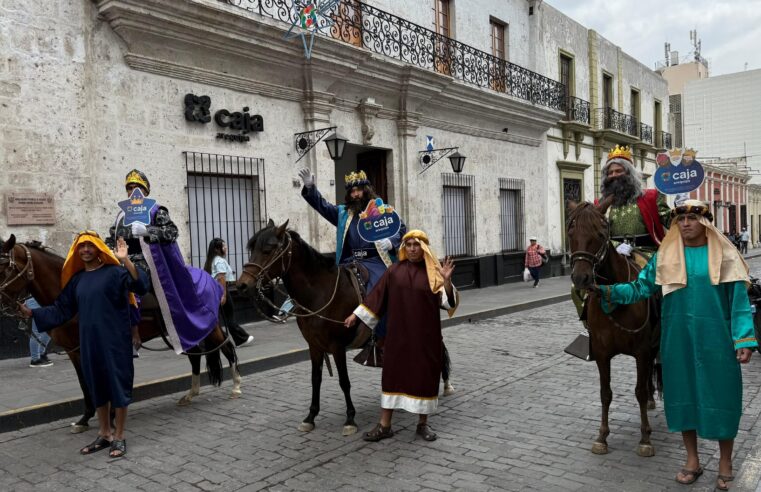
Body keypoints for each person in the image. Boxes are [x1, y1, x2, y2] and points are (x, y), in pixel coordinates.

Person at [593, 200, 756, 490]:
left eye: (692, 219)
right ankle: (692, 459)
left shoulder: (725, 254)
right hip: (677, 339)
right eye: (680, 220)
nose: (685, 224)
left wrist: (744, 337)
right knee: (681, 395)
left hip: (716, 339)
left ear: (704, 222)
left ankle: (725, 461)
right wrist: (607, 290)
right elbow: (641, 288)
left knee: (722, 397)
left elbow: (740, 303)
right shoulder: (665, 256)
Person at [19, 232, 150, 458]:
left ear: (98, 249)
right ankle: (105, 433)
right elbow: (62, 309)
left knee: (118, 387)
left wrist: (125, 259)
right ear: (76, 252)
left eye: (90, 246)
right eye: (82, 247)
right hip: (89, 343)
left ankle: (119, 436)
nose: (86, 250)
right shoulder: (77, 280)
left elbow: (139, 286)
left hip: (115, 342)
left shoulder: (115, 272)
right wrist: (32, 313)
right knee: (97, 387)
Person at [344, 230, 459, 442]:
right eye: (409, 245)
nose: (413, 248)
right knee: (392, 377)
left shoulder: (434, 274)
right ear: (404, 248)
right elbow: (376, 297)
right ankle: (384, 425)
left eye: (416, 245)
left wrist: (447, 281)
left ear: (423, 248)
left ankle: (422, 424)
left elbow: (448, 303)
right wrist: (355, 316)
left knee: (424, 378)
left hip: (425, 338)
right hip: (397, 337)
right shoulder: (393, 271)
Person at [106, 169, 222, 354]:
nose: (133, 190)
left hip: (148, 261)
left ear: (145, 191)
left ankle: (134, 334)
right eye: (129, 187)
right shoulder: (121, 215)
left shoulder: (156, 211)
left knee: (129, 282)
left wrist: (148, 231)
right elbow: (111, 238)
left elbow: (172, 232)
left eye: (137, 187)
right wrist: (105, 248)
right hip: (121, 258)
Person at [299, 168, 405, 342]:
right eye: (352, 191)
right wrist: (311, 188)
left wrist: (391, 242)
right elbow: (323, 206)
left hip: (375, 260)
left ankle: (381, 338)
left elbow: (401, 229)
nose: (356, 194)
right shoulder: (342, 213)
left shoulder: (382, 210)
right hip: (350, 261)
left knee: (380, 291)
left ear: (366, 190)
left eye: (359, 190)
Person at [598, 145, 670, 255]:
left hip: (647, 253)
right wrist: (616, 245)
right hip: (613, 255)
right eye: (610, 172)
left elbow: (671, 222)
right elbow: (595, 234)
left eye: (618, 171)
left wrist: (681, 209)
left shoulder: (651, 197)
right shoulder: (600, 204)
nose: (614, 175)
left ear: (629, 174)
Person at [204, 238, 254, 347]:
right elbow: (221, 278)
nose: (226, 248)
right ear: (217, 249)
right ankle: (241, 339)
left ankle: (216, 339)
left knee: (218, 318)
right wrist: (224, 295)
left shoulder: (210, 261)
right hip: (221, 290)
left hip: (212, 292)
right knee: (229, 317)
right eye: (223, 246)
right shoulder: (220, 261)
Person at [26, 297, 52, 367]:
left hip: (45, 300)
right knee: (36, 331)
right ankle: (35, 360)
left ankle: (41, 353)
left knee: (49, 329)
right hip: (34, 300)